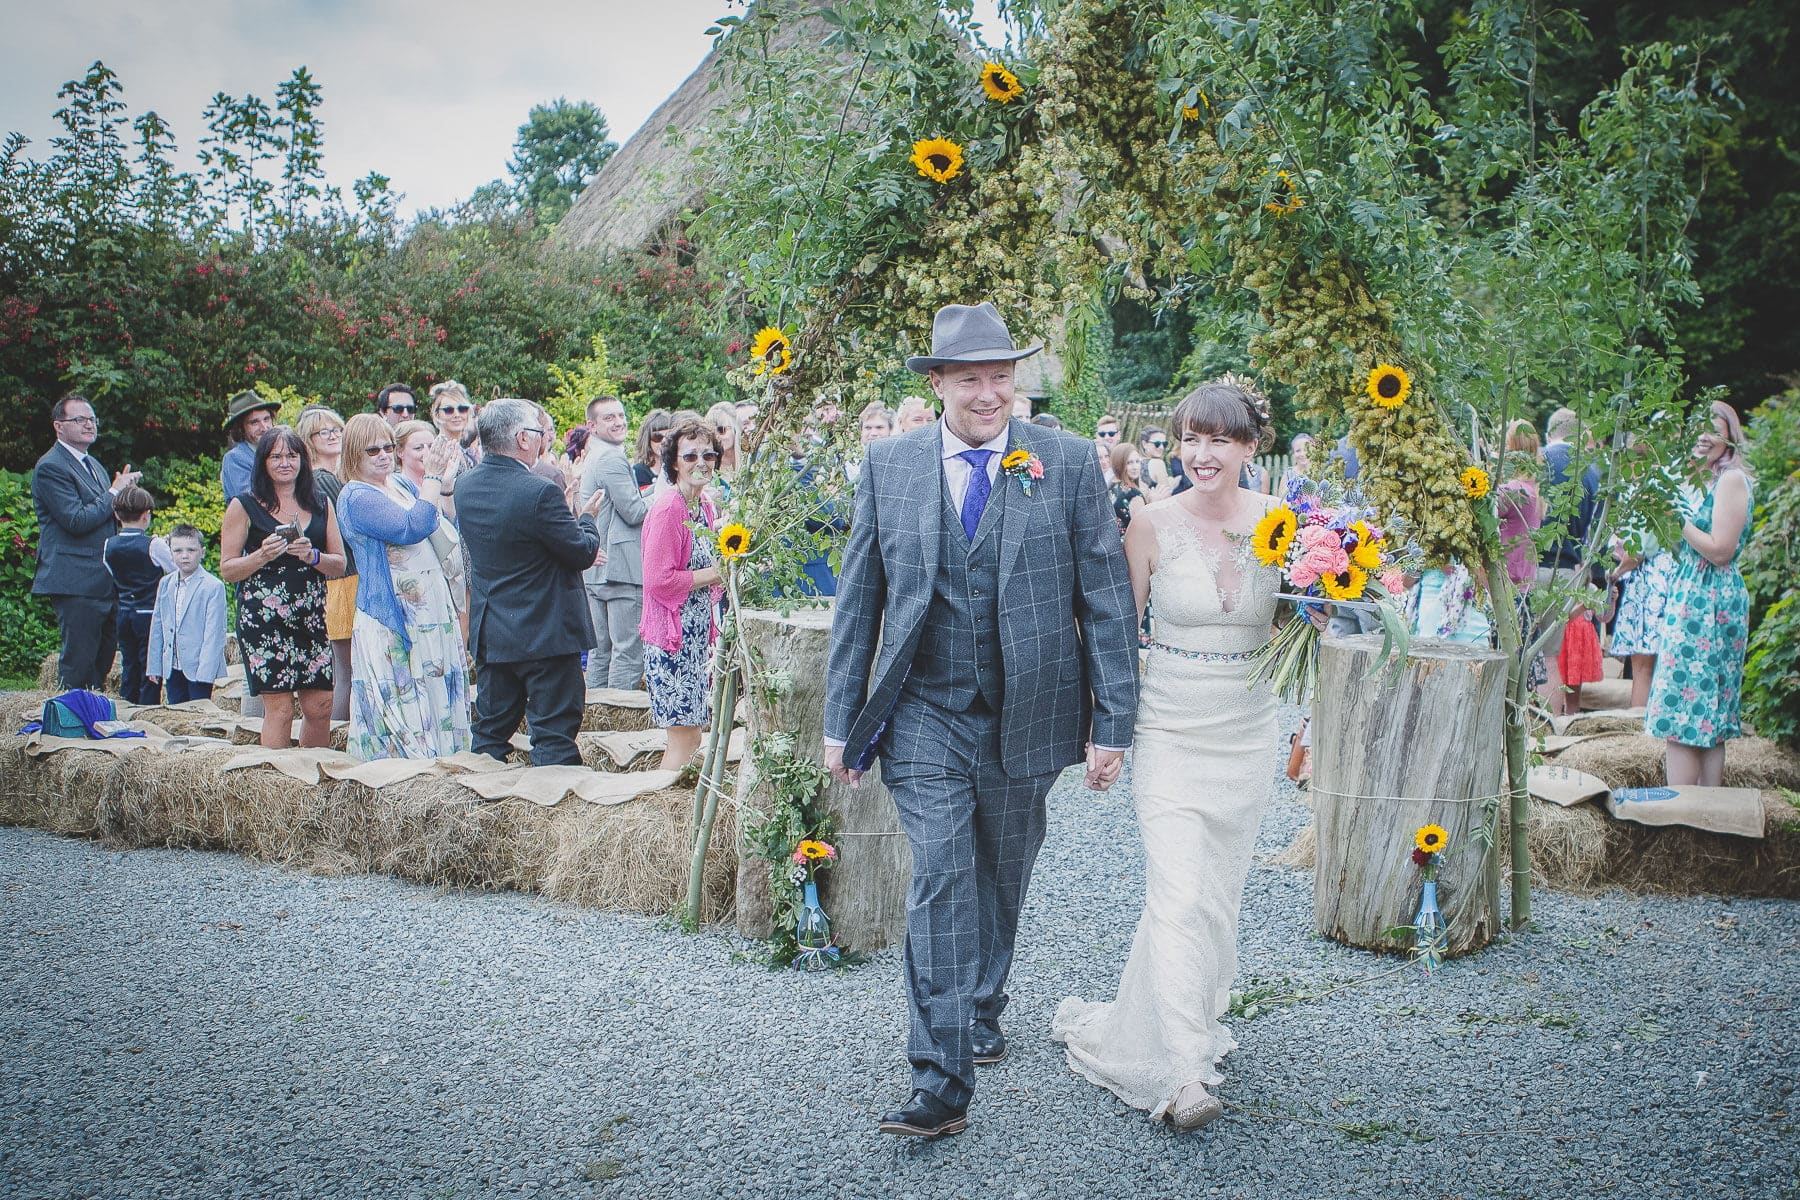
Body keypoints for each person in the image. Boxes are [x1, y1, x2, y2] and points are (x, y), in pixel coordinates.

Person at [824, 301, 1137, 1140]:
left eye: (1001, 376)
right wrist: (840, 720)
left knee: (1000, 875)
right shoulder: (889, 465)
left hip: (1028, 711)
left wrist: (1113, 723)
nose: (990, 393)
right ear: (937, 384)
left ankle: (982, 1001)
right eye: (971, 379)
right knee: (940, 875)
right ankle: (940, 1078)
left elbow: (1106, 599)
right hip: (923, 712)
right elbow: (859, 600)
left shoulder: (1065, 462)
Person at [1053, 378, 1304, 1133]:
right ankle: (1184, 1071)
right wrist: (1107, 732)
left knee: (1217, 894)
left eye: (1219, 439)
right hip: (1169, 727)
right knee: (1178, 889)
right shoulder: (1149, 521)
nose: (1202, 454)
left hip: (1248, 728)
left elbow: (1297, 624)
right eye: (1191, 439)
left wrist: (1323, 621)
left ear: (1250, 446)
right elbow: (1114, 634)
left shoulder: (1287, 522)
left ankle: (1174, 1016)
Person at [457, 399, 606, 766]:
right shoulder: (539, 491)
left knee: (489, 734)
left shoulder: (465, 485)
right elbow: (581, 552)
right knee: (554, 735)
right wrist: (586, 518)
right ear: (523, 438)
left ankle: (480, 799)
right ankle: (554, 801)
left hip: (494, 631)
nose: (543, 439)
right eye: (539, 432)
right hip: (545, 632)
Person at [336, 414, 472, 760]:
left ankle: (446, 759)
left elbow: (442, 525)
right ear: (353, 453)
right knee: (406, 697)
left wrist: (445, 485)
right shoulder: (356, 496)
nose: (383, 455)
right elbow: (412, 527)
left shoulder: (400, 484)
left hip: (430, 609)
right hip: (395, 616)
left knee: (436, 687)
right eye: (372, 450)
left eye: (387, 447)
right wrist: (433, 477)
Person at [1646, 401, 1755, 786]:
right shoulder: (1704, 480)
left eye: (1714, 429)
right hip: (1694, 592)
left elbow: (1721, 550)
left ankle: (1684, 808)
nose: (1703, 436)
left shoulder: (1731, 479)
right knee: (1702, 709)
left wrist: (1675, 519)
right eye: (1697, 428)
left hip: (1709, 598)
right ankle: (1704, 807)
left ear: (1730, 438)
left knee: (1685, 708)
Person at [219, 426, 346, 749]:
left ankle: (314, 769)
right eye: (275, 456)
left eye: (292, 455)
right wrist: (261, 555)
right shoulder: (243, 505)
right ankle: (277, 773)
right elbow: (228, 569)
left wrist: (312, 555)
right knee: (281, 709)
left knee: (320, 706)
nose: (285, 463)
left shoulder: (320, 503)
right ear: (263, 462)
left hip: (311, 617)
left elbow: (339, 564)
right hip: (265, 621)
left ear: (303, 460)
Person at [31, 393, 138, 690]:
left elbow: (103, 514)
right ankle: (69, 718)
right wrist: (114, 493)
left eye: (92, 419)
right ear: (58, 426)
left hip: (103, 579)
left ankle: (91, 714)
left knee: (101, 662)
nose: (89, 425)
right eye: (79, 419)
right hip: (75, 580)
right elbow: (75, 520)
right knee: (78, 664)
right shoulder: (51, 467)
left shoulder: (94, 465)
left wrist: (125, 499)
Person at [639, 414, 725, 769]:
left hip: (696, 638)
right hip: (672, 641)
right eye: (690, 456)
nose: (700, 463)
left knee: (693, 734)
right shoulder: (669, 507)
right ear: (673, 462)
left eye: (708, 455)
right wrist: (716, 574)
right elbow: (658, 580)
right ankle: (660, 797)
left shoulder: (704, 506)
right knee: (684, 736)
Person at [1536, 406, 1602, 715]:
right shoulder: (1592, 472)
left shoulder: (1538, 460)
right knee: (1550, 658)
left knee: (1520, 653)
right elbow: (1593, 532)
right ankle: (1548, 729)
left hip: (1528, 567)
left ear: (1549, 433)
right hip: (1566, 572)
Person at [579, 395, 647, 690]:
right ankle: (617, 715)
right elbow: (634, 512)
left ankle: (595, 711)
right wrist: (665, 495)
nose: (619, 422)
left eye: (620, 415)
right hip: (619, 569)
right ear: (592, 426)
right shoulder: (611, 457)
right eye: (609, 418)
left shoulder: (595, 454)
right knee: (627, 653)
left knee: (600, 651)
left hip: (597, 567)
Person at [298, 406, 356, 722]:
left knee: (345, 669)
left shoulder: (326, 477)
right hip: (344, 581)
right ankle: (337, 733)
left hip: (339, 580)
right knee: (348, 670)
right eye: (324, 432)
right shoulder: (323, 479)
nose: (333, 436)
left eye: (337, 429)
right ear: (310, 440)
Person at [103, 485, 173, 705]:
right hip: (149, 613)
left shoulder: (109, 544)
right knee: (150, 668)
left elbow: (112, 573)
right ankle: (147, 709)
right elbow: (175, 570)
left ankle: (126, 707)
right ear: (146, 515)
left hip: (124, 611)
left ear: (117, 515)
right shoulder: (154, 544)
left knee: (129, 665)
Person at [146, 524, 227, 702]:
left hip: (198, 667)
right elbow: (158, 625)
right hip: (172, 665)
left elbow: (214, 633)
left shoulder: (213, 586)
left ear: (202, 552)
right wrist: (154, 665)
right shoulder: (165, 583)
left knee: (199, 711)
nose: (184, 555)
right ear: (170, 552)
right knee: (176, 710)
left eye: (191, 550)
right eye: (178, 550)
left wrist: (205, 672)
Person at [220, 390, 282, 500]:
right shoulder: (235, 459)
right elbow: (250, 501)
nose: (264, 427)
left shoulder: (282, 452)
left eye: (266, 419)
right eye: (254, 422)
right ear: (240, 429)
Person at [429, 380, 479, 468]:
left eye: (462, 409)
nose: (457, 415)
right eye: (448, 410)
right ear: (437, 414)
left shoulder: (463, 450)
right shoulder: (437, 452)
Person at [1108, 442, 1146, 531]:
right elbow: (1142, 530)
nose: (1135, 467)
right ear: (1119, 464)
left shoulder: (1110, 485)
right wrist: (1154, 504)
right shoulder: (1133, 495)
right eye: (1129, 463)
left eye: (1137, 461)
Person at [634, 409, 674, 493]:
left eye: (669, 436)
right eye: (657, 436)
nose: (664, 441)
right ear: (647, 439)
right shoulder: (639, 472)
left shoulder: (679, 468)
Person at [1137, 426, 1175, 500]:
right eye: (1157, 444)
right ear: (1144, 444)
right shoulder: (1158, 464)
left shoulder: (1133, 462)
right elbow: (1167, 496)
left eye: (1164, 444)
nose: (1161, 447)